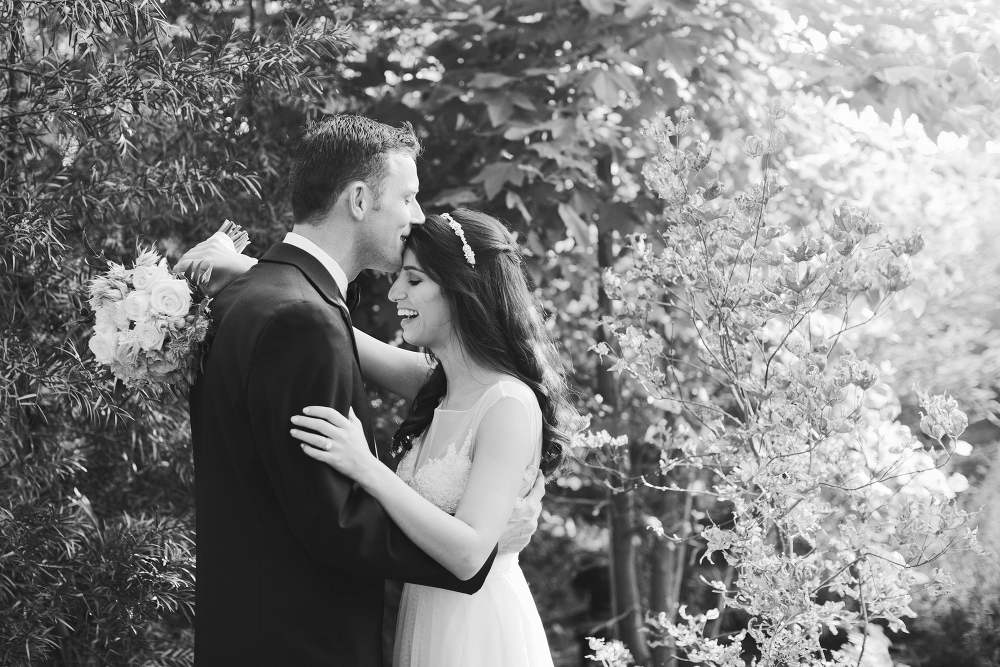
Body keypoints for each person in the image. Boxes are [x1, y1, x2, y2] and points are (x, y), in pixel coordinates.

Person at [178, 116, 542, 667]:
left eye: (417, 281)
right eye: (409, 197)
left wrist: (255, 269)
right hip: (300, 641)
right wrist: (466, 555)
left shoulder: (252, 302)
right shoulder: (300, 318)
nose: (417, 215)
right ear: (358, 199)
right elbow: (334, 521)